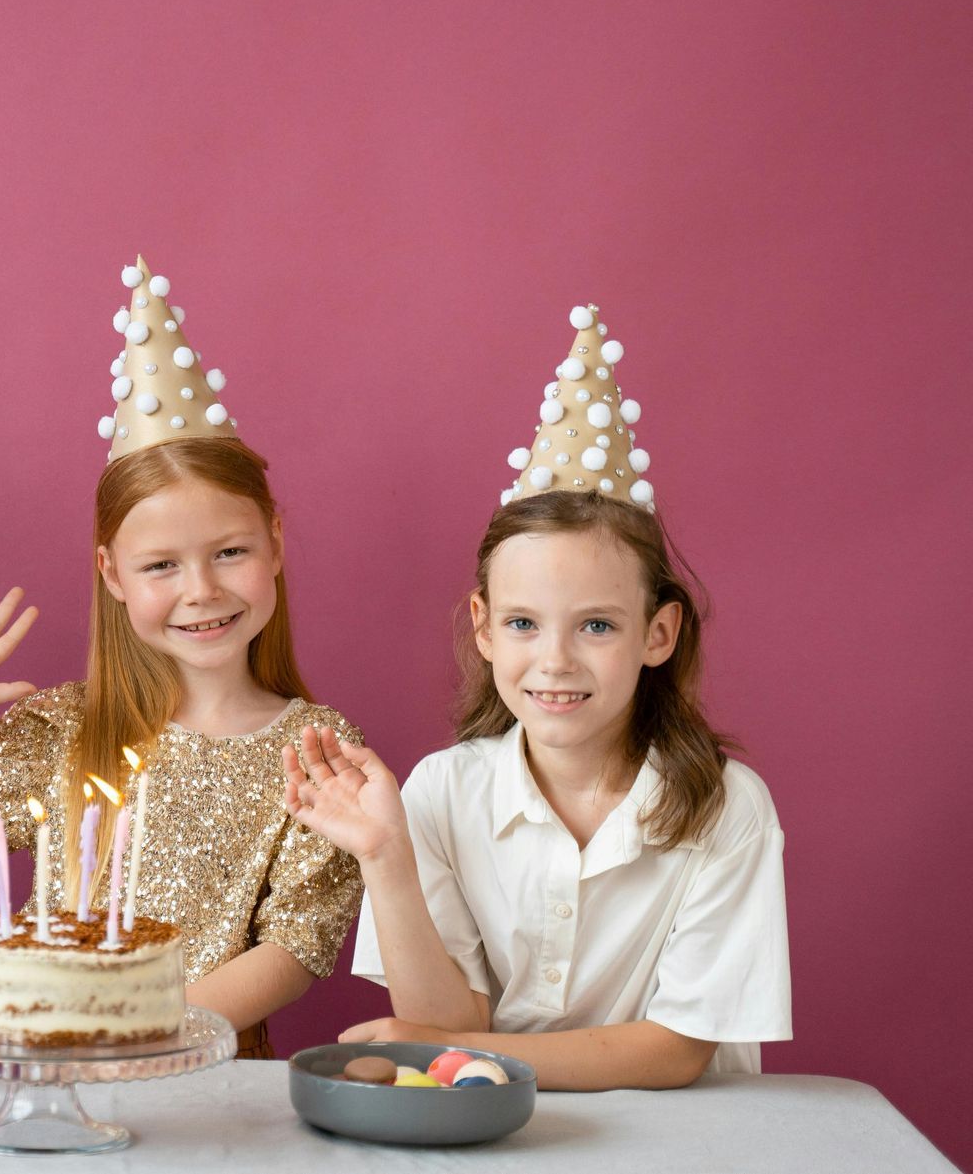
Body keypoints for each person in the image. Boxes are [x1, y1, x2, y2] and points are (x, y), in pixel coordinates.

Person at [283, 305, 789, 1089]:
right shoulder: (442, 792)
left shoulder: (727, 807)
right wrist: (385, 856)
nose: (554, 660)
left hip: (684, 1144)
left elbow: (676, 1049)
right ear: (483, 628)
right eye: (524, 622)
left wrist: (459, 1052)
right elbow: (450, 1016)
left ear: (657, 633)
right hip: (501, 1131)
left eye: (595, 624)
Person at [0, 260, 363, 1057]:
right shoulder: (62, 727)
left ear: (274, 542)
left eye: (229, 551)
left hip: (206, 1087)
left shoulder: (317, 752)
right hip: (43, 1080)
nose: (201, 590)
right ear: (113, 576)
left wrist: (128, 1031)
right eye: (162, 565)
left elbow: (295, 950)